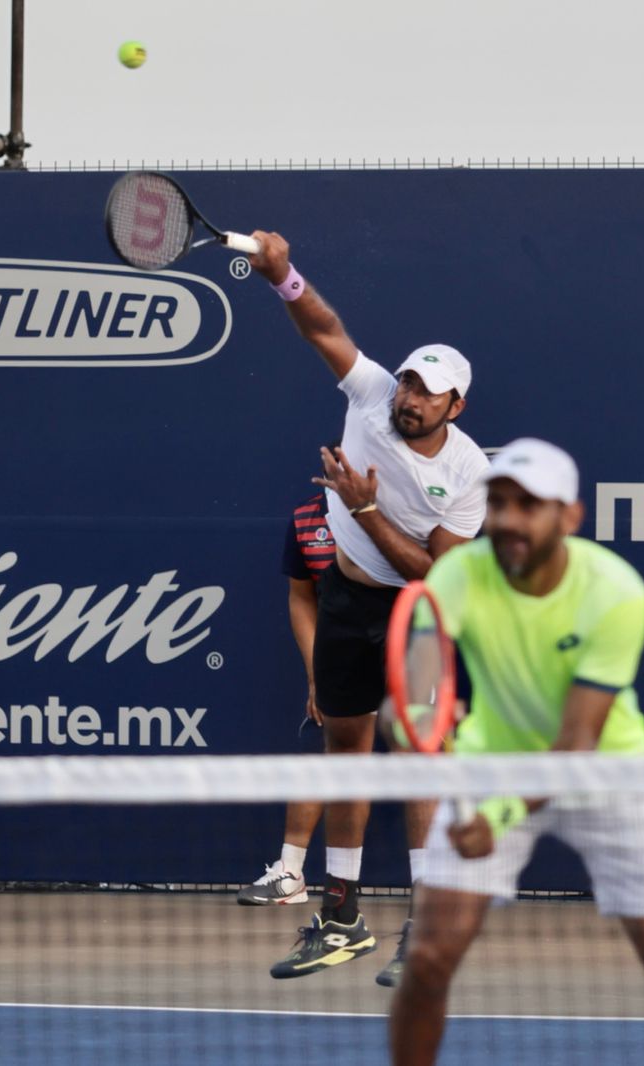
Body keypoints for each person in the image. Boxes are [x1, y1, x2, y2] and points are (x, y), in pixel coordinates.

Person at [388, 438, 644, 1066]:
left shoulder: (616, 591)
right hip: (493, 765)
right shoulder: (457, 574)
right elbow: (414, 694)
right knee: (428, 960)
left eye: (529, 505)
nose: (509, 520)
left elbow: (576, 745)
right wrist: (407, 721)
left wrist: (496, 816)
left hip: (608, 775)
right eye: (498, 503)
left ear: (569, 517)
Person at [247, 231, 490, 983]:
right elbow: (324, 328)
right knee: (345, 754)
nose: (410, 399)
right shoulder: (373, 395)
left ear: (456, 404)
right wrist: (283, 276)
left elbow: (434, 575)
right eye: (409, 384)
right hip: (348, 604)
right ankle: (341, 920)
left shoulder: (469, 472)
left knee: (418, 762)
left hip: (419, 615)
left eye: (428, 392)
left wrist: (365, 508)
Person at [236, 489, 336, 906]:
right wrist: (317, 675)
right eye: (332, 462)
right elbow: (301, 597)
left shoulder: (402, 508)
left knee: (423, 761)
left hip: (406, 649)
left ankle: (436, 884)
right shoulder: (306, 520)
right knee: (317, 750)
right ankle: (291, 873)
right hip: (341, 658)